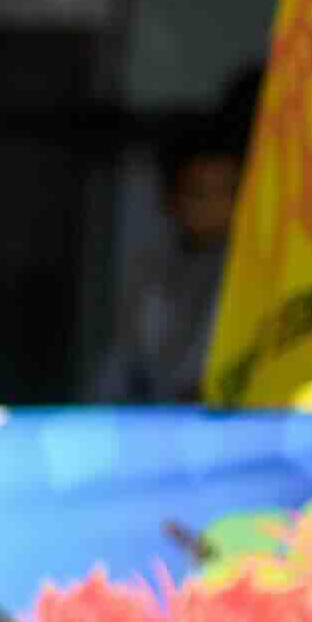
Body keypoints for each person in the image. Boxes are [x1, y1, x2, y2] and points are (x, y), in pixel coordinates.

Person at [97, 82, 245, 411]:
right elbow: (118, 371)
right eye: (198, 193)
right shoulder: (154, 276)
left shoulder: (254, 277)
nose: (212, 207)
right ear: (170, 200)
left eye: (226, 193)